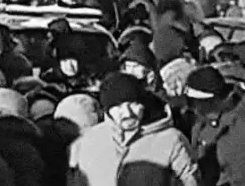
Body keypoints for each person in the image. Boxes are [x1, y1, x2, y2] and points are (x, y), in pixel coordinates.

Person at [67, 72, 199, 186]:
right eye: (118, 107)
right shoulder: (89, 141)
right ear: (107, 109)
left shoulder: (171, 140)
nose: (127, 113)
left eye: (133, 104)